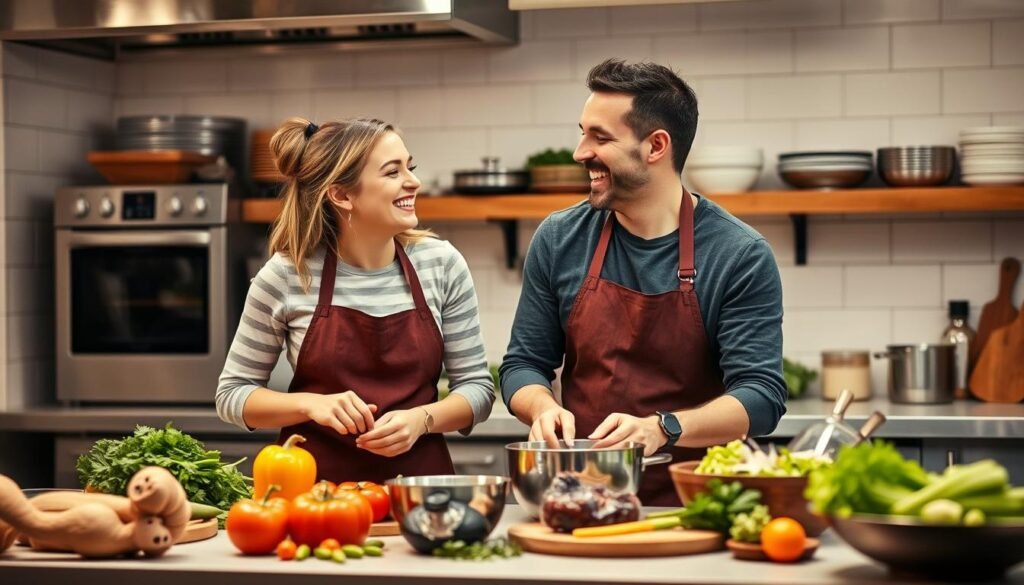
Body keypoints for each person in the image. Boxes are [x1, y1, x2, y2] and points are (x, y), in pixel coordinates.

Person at [500, 60, 787, 505]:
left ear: (655, 146)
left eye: (600, 137)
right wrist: (542, 407)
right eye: (582, 132)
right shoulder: (560, 238)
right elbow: (522, 364)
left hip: (695, 502)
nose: (580, 152)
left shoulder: (739, 253)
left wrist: (663, 427)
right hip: (582, 497)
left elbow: (761, 397)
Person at [217, 117, 494, 483]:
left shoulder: (440, 264)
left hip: (418, 496)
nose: (414, 182)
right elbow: (232, 395)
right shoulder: (286, 275)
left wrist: (422, 420)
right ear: (342, 195)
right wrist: (310, 405)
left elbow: (478, 388)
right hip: (316, 499)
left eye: (410, 167)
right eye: (392, 172)